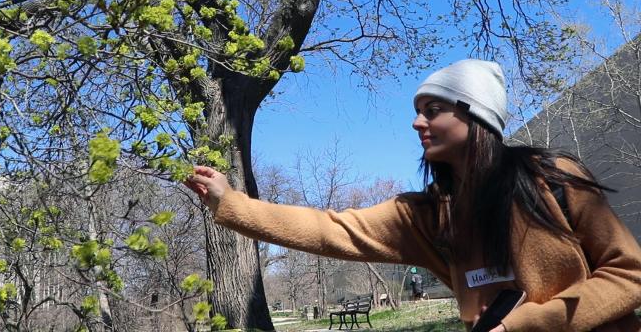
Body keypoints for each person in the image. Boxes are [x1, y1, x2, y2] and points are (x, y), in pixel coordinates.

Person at [184, 59, 641, 332]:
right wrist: (231, 203)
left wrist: (524, 326)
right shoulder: (426, 216)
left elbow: (630, 274)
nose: (417, 122)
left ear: (477, 116)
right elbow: (330, 229)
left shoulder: (553, 180)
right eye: (417, 111)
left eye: (433, 110)